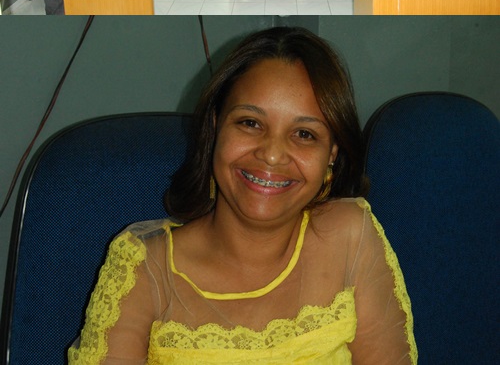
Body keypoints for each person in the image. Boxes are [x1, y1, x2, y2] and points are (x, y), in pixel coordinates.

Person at [68, 27, 417, 364]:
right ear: (215, 127)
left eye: (304, 134)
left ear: (332, 154)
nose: (272, 155)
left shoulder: (351, 236)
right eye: (250, 123)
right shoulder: (144, 269)